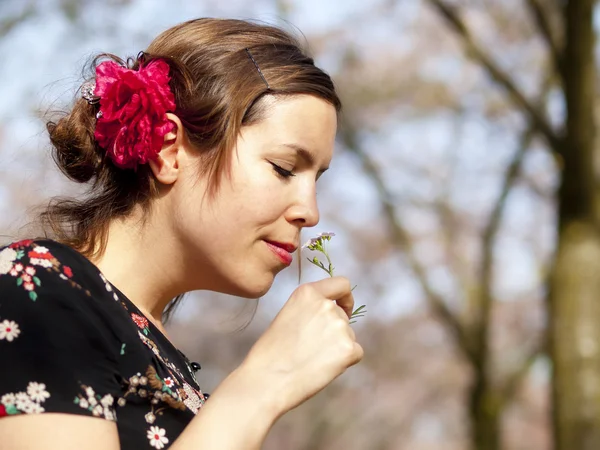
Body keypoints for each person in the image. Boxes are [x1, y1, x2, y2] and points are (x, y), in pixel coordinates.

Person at [0, 17, 363, 450]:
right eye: (284, 168)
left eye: (316, 179)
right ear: (170, 150)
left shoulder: (155, 349)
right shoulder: (35, 289)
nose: (310, 212)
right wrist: (261, 386)